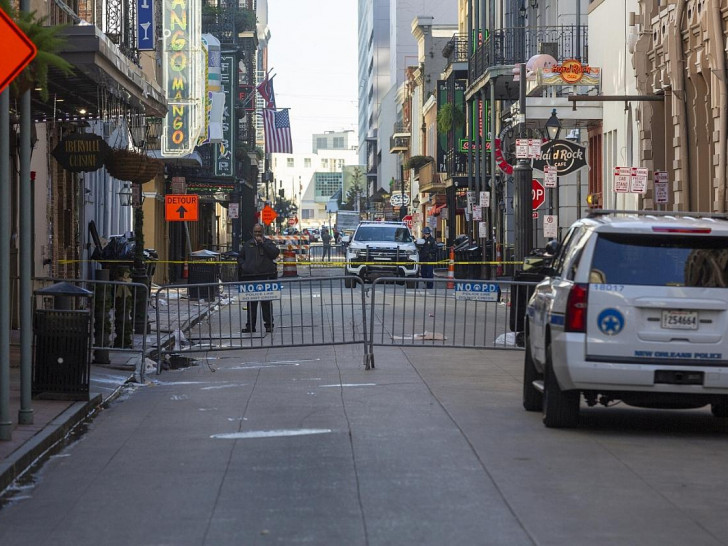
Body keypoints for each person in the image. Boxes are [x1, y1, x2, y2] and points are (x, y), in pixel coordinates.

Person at [237, 224, 280, 333]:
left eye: (259, 232)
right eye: (255, 232)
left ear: (263, 232)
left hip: (265, 276)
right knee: (251, 303)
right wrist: (244, 265)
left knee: (266, 302)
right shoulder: (248, 245)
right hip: (251, 277)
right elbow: (240, 257)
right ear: (252, 232)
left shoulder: (268, 243)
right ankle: (250, 326)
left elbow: (274, 253)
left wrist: (263, 244)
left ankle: (269, 324)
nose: (257, 234)